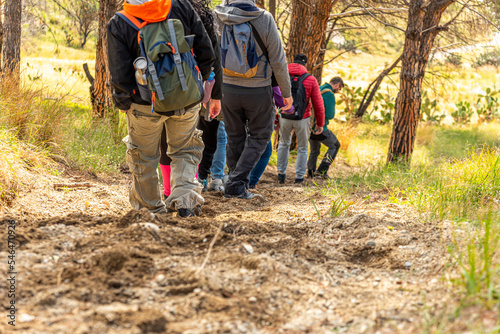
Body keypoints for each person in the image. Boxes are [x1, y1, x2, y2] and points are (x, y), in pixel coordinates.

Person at [107, 0, 216, 217]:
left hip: (144, 104)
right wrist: (198, 82)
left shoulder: (119, 22)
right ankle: (185, 203)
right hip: (186, 99)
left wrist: (126, 103)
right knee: (185, 149)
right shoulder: (181, 6)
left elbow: (119, 75)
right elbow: (206, 50)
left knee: (144, 157)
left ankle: (150, 210)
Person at [214, 0, 292, 199]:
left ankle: (236, 184)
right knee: (260, 136)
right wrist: (286, 92)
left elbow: (212, 53)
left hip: (227, 89)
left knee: (235, 137)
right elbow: (278, 59)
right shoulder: (263, 18)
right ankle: (235, 183)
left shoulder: (219, 15)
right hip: (258, 89)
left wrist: (213, 90)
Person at [159, 0, 223, 195]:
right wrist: (214, 95)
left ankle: (169, 191)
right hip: (191, 88)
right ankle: (186, 192)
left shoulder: (157, 9)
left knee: (165, 141)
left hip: (159, 84)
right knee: (187, 142)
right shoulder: (201, 15)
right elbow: (213, 57)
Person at [276, 53, 325, 185]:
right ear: (305, 64)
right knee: (303, 147)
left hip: (284, 116)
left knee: (283, 143)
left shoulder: (283, 75)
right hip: (303, 118)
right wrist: (320, 123)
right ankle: (298, 177)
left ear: (293, 61)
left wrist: (276, 118)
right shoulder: (310, 79)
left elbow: (275, 95)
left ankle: (281, 174)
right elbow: (318, 104)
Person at [307, 77, 344, 178]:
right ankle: (322, 170)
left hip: (309, 126)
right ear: (337, 85)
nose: (338, 91)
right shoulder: (329, 94)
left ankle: (310, 172)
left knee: (315, 149)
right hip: (320, 127)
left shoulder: (318, 88)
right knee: (335, 145)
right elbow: (330, 114)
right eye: (339, 88)